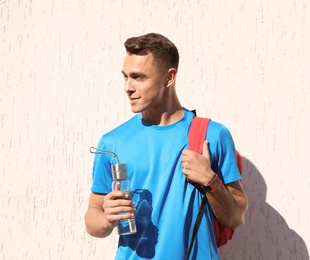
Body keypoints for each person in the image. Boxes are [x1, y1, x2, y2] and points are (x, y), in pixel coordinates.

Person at [85, 32, 248, 259]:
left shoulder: (212, 135)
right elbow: (92, 220)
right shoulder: (113, 142)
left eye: (138, 77)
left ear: (169, 77)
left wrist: (211, 181)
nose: (128, 87)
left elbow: (236, 217)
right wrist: (106, 218)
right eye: (126, 77)